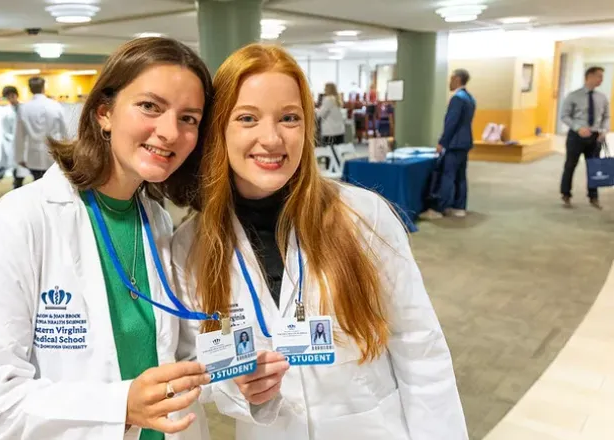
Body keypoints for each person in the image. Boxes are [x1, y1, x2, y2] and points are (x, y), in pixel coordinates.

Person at [0, 37, 263, 440]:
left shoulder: (156, 222)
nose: (169, 132)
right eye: (150, 106)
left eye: (189, 118)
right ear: (104, 112)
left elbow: (176, 354)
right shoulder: (19, 223)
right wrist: (120, 407)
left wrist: (235, 374)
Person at [171, 43, 468, 440]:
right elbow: (194, 363)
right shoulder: (192, 245)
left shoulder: (364, 216)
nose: (271, 138)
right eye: (247, 118)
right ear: (218, 130)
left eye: (289, 118)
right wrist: (239, 389)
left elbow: (419, 347)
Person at [422, 68, 476, 220]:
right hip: (465, 142)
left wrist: (442, 142)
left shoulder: (457, 98)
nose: (449, 82)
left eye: (451, 78)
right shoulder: (470, 98)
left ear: (457, 79)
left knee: (447, 176)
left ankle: (438, 209)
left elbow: (451, 123)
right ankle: (459, 207)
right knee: (460, 176)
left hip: (454, 143)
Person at [560, 66, 610, 209]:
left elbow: (606, 116)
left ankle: (593, 197)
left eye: (602, 76)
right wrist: (578, 128)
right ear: (589, 77)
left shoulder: (602, 97)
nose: (601, 79)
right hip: (576, 136)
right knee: (570, 165)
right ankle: (566, 194)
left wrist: (604, 130)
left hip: (595, 137)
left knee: (594, 167)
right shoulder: (573, 96)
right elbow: (564, 116)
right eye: (599, 76)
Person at [13, 76, 68, 182]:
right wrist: (67, 153)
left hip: (33, 154)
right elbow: (65, 131)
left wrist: (19, 157)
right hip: (53, 152)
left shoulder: (24, 108)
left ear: (30, 89)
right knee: (53, 182)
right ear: (44, 88)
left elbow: (19, 136)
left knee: (37, 182)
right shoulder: (55, 106)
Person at [0, 85, 30, 189]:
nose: (11, 99)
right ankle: (17, 188)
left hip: (27, 144)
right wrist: (15, 139)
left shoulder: (26, 108)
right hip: (14, 145)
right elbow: (5, 131)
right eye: (8, 97)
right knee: (17, 173)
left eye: (12, 96)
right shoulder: (5, 113)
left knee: (33, 171)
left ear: (16, 95)